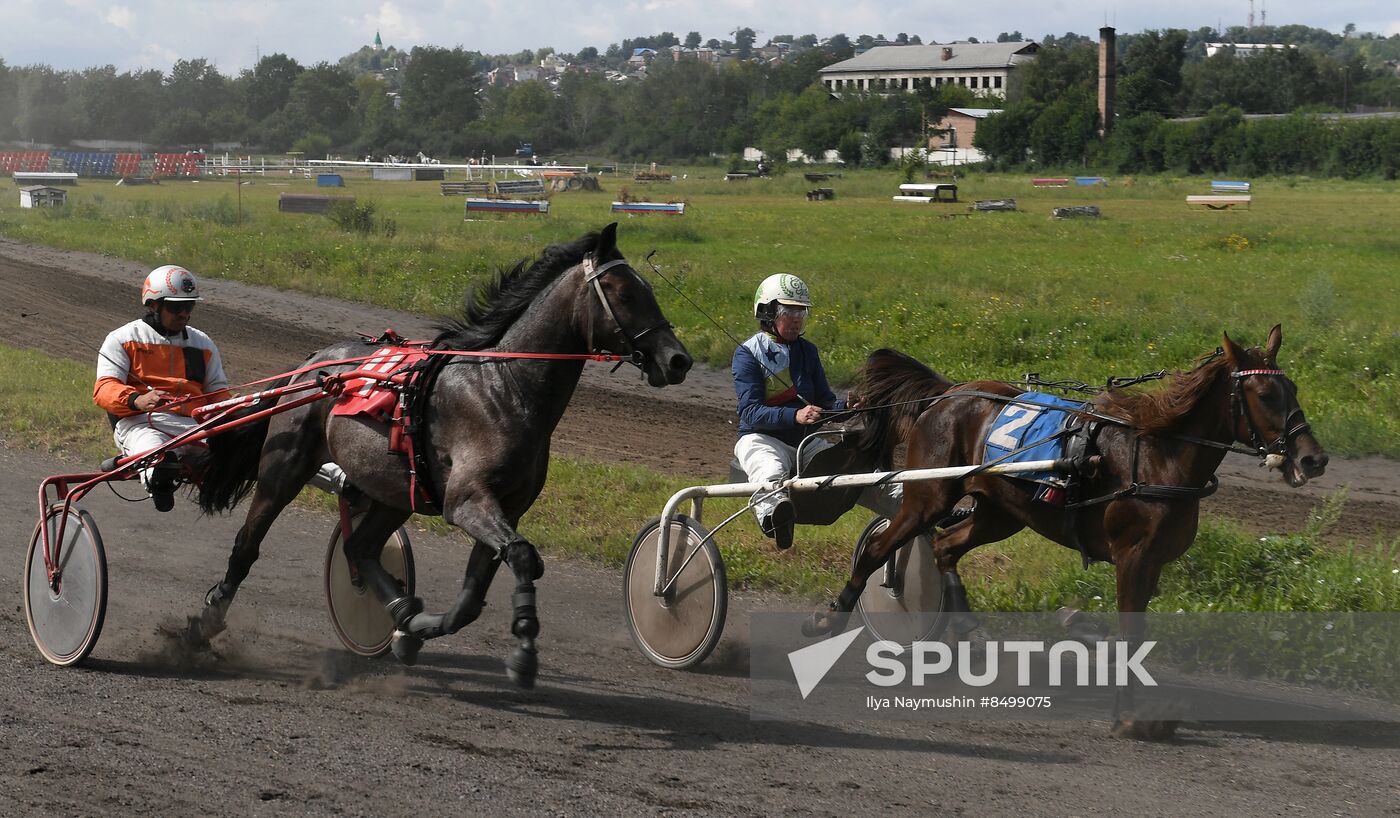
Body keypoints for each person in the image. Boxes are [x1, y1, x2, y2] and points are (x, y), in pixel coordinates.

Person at [734, 273, 912, 551]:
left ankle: (917, 509)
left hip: (806, 445)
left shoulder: (808, 351)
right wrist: (795, 416)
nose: (796, 319)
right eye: (788, 311)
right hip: (761, 440)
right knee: (772, 470)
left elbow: (825, 402)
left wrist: (846, 407)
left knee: (856, 469)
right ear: (768, 312)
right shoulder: (747, 353)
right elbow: (750, 412)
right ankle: (775, 516)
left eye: (801, 311)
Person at [94, 265, 229, 511]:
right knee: (157, 452)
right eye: (177, 307)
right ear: (154, 305)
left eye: (189, 307)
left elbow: (218, 392)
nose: (184, 315)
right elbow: (104, 389)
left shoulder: (203, 343)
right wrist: (137, 400)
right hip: (141, 423)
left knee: (237, 453)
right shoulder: (122, 339)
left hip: (193, 427)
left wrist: (227, 408)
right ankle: (159, 480)